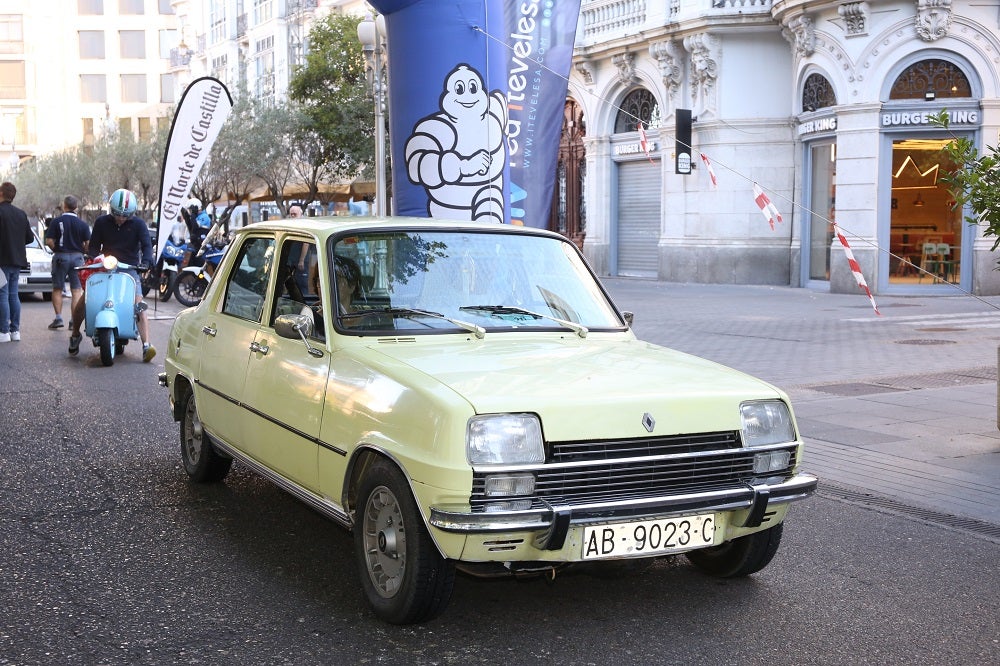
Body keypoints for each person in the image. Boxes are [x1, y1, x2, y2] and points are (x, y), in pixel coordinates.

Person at [68, 188, 156, 362]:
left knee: (138, 304)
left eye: (126, 215)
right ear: (111, 210)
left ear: (132, 213)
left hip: (130, 268)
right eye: (117, 214)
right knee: (86, 299)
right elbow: (93, 246)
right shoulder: (101, 222)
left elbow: (146, 246)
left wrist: (146, 261)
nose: (121, 218)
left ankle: (146, 345)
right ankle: (75, 334)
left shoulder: (138, 225)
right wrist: (92, 257)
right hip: (104, 266)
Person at [44, 195, 91, 329]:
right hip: (77, 258)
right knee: (76, 290)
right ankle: (73, 321)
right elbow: (88, 244)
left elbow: (49, 241)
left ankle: (58, 318)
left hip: (61, 257)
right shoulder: (82, 224)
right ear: (76, 207)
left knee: (57, 288)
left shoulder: (56, 221)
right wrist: (82, 251)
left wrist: (57, 249)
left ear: (64, 206)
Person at [0, 181, 34, 343]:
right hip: (18, 261)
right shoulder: (21, 214)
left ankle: (3, 332)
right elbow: (29, 238)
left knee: (2, 295)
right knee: (13, 295)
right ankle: (15, 331)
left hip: (2, 260)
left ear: (1, 194)